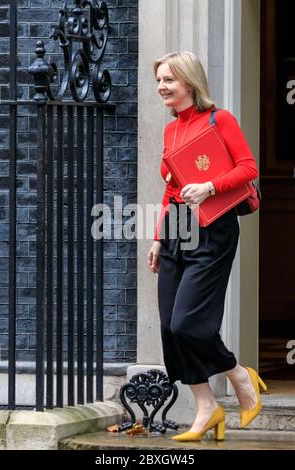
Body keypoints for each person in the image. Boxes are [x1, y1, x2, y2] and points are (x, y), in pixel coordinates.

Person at [147, 51, 267, 442]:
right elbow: (170, 188)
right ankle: (207, 406)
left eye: (169, 80)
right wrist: (157, 239)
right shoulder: (170, 131)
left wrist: (211, 186)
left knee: (189, 322)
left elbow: (249, 168)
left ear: (189, 83)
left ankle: (237, 374)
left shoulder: (220, 119)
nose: (162, 87)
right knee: (169, 327)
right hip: (177, 228)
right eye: (160, 80)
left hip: (213, 226)